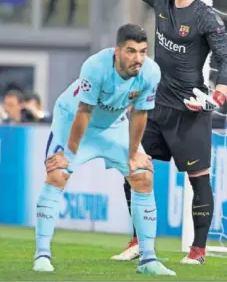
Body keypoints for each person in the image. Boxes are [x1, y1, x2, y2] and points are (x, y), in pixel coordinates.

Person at [65, 0, 227, 265]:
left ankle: (198, 250)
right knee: (135, 170)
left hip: (191, 110)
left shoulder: (206, 17)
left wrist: (217, 93)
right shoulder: (161, 0)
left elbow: (225, 58)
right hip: (155, 106)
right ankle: (137, 241)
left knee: (198, 179)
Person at [33, 24, 175, 276]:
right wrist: (68, 153)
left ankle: (148, 260)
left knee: (143, 175)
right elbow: (84, 112)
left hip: (114, 124)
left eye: (143, 52)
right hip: (73, 121)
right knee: (57, 173)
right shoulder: (95, 66)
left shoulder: (151, 72)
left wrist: (134, 155)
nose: (138, 59)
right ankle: (42, 255)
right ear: (117, 51)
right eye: (131, 51)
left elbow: (140, 113)